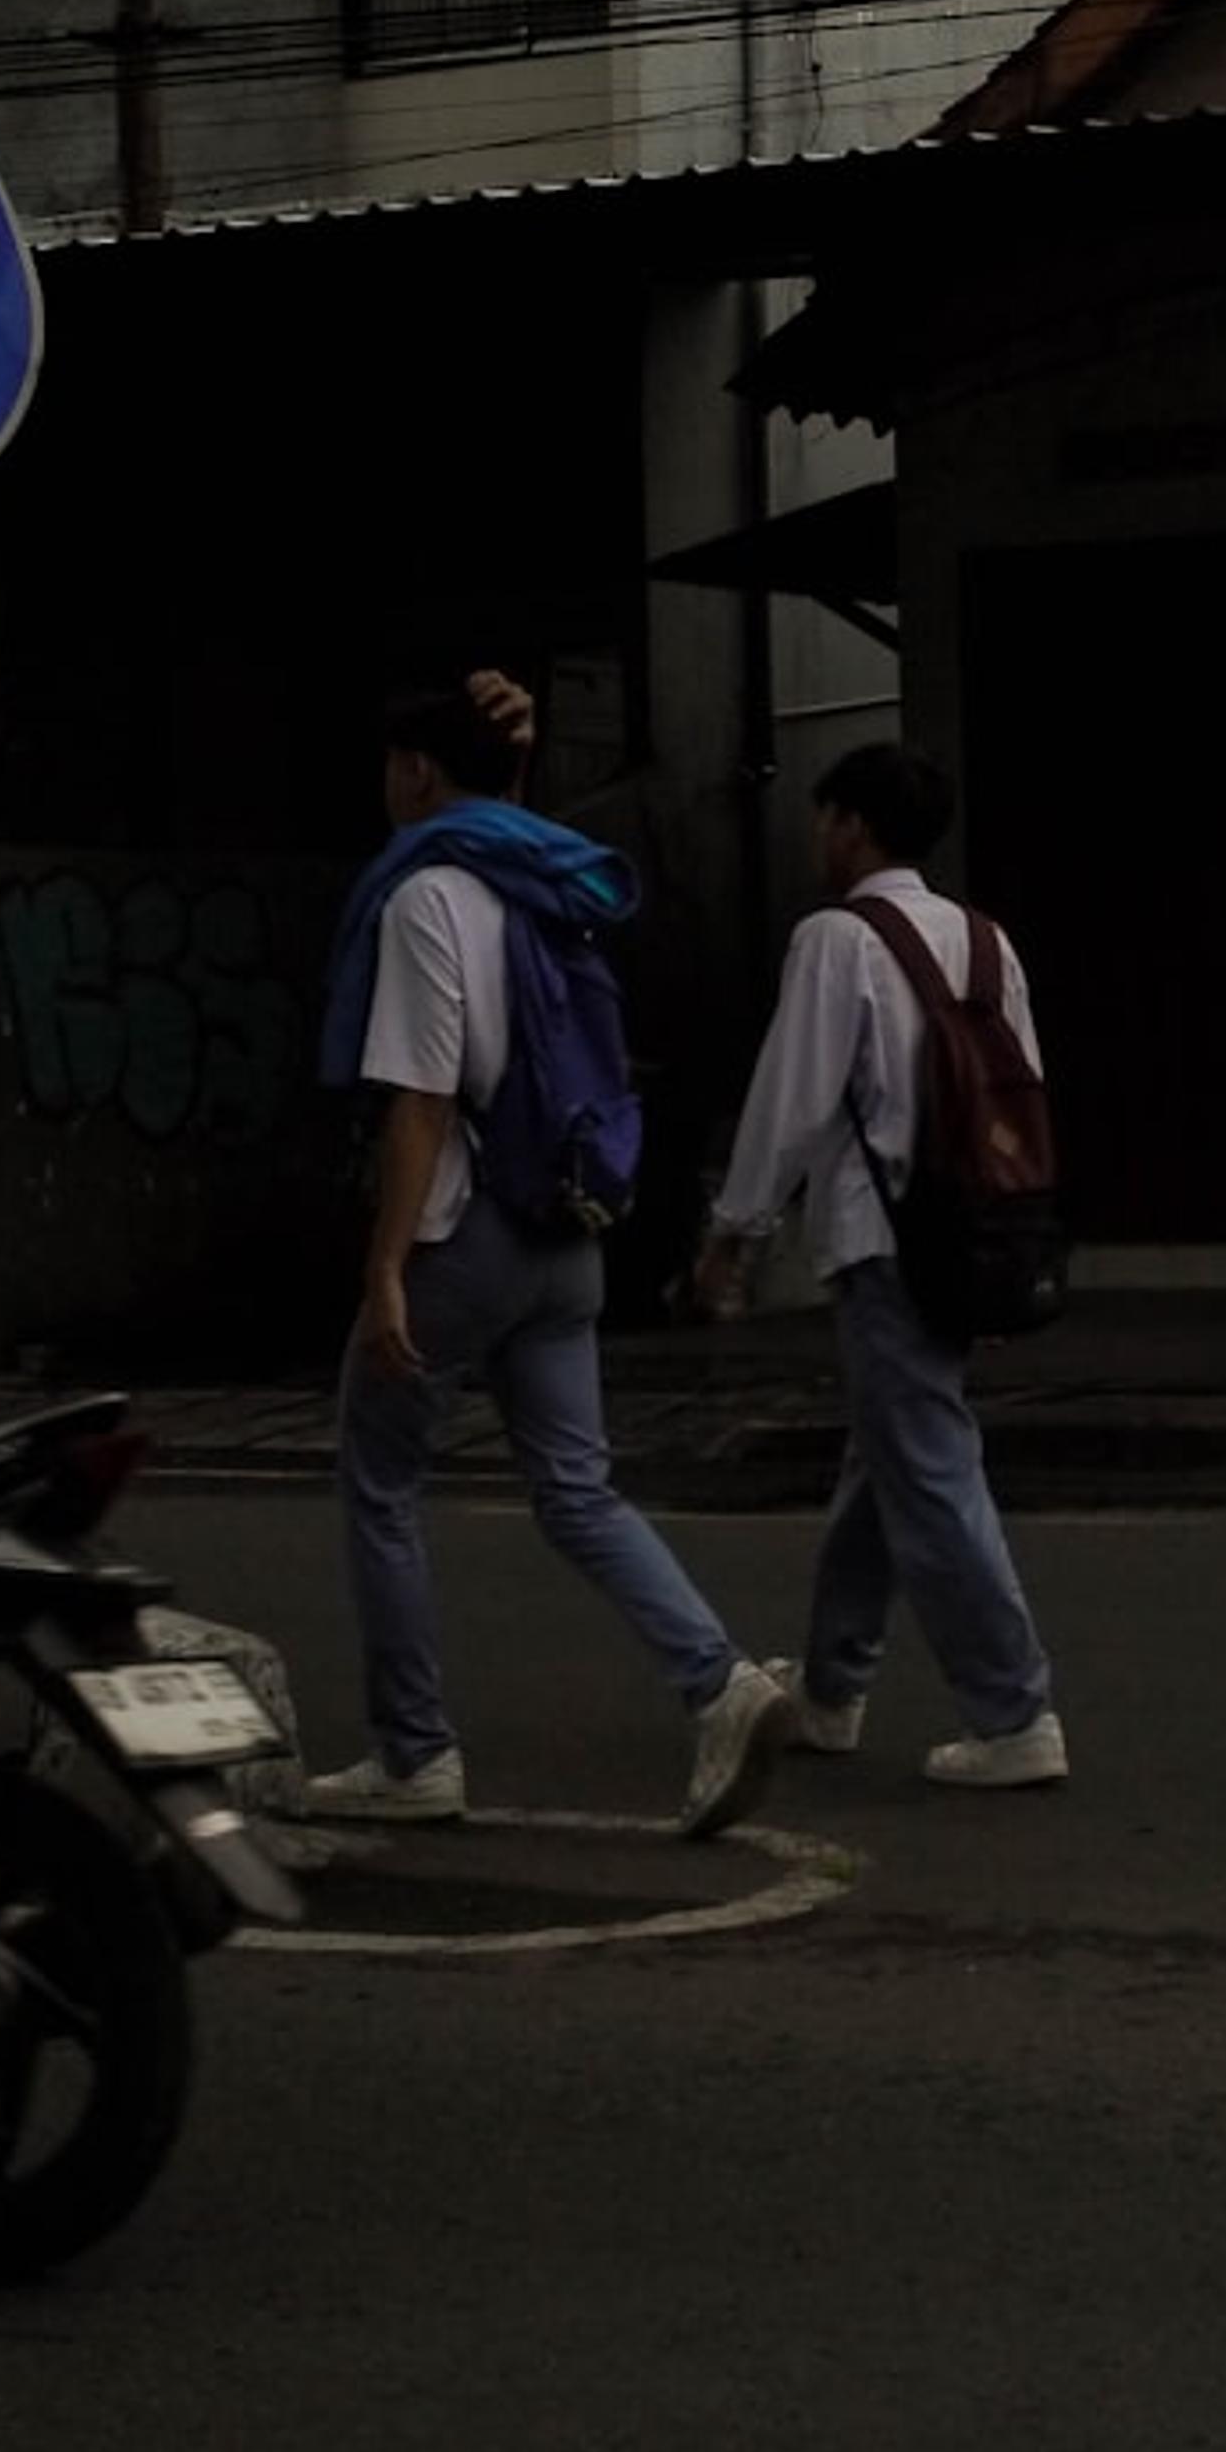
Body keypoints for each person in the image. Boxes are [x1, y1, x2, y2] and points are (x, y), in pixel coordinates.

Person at [302, 678, 795, 1838]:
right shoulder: (544, 877)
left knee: (378, 1480)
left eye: (394, 767)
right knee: (578, 1490)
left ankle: (414, 1753)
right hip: (567, 1232)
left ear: (419, 772)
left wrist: (383, 1271)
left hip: (466, 1235)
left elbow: (421, 1101)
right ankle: (721, 1684)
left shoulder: (426, 890)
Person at [695, 743, 1066, 1790]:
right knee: (887, 1462)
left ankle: (1013, 1712)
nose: (817, 839)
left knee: (929, 1469)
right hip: (973, 1236)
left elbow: (792, 1102)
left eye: (822, 821)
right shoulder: (987, 942)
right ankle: (831, 1685)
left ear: (852, 826)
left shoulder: (837, 940)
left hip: (882, 1242)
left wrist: (734, 1232)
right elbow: (1020, 1099)